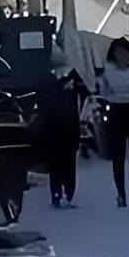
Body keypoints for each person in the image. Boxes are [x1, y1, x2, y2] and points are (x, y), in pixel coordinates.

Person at [37, 60, 89, 208]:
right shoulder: (65, 85)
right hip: (60, 129)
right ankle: (63, 195)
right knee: (63, 165)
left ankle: (61, 195)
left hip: (62, 129)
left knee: (61, 165)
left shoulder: (51, 83)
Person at [102, 37, 129, 207]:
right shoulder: (108, 72)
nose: (122, 56)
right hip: (116, 111)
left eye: (125, 52)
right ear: (113, 54)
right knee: (118, 156)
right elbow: (104, 93)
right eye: (118, 53)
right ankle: (121, 193)